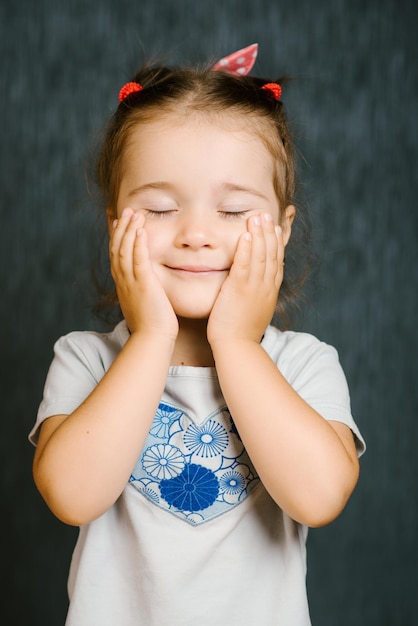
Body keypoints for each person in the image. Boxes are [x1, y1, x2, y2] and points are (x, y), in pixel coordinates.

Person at [30, 43, 365, 626]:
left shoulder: (304, 364)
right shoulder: (84, 359)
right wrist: (151, 337)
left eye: (234, 212)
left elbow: (319, 497)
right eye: (159, 209)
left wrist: (235, 342)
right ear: (115, 224)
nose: (196, 235)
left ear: (283, 232)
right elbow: (72, 495)